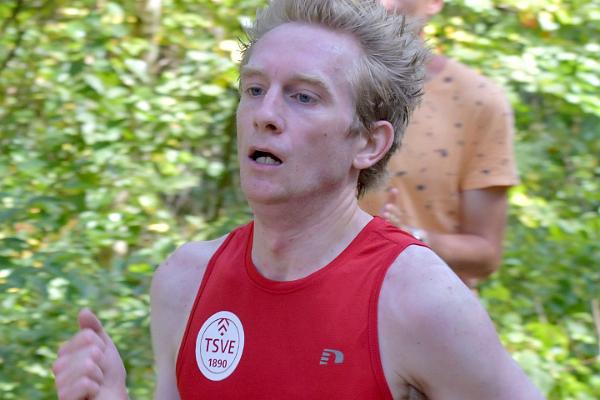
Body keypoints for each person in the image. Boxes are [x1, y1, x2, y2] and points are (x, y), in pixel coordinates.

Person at [52, 1, 544, 399]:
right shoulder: (185, 281)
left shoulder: (417, 299)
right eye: (254, 88)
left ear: (369, 143)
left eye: (303, 96)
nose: (264, 114)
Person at [360, 0, 520, 287]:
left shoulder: (478, 99)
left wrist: (409, 239)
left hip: (421, 304)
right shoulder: (302, 84)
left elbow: (485, 253)